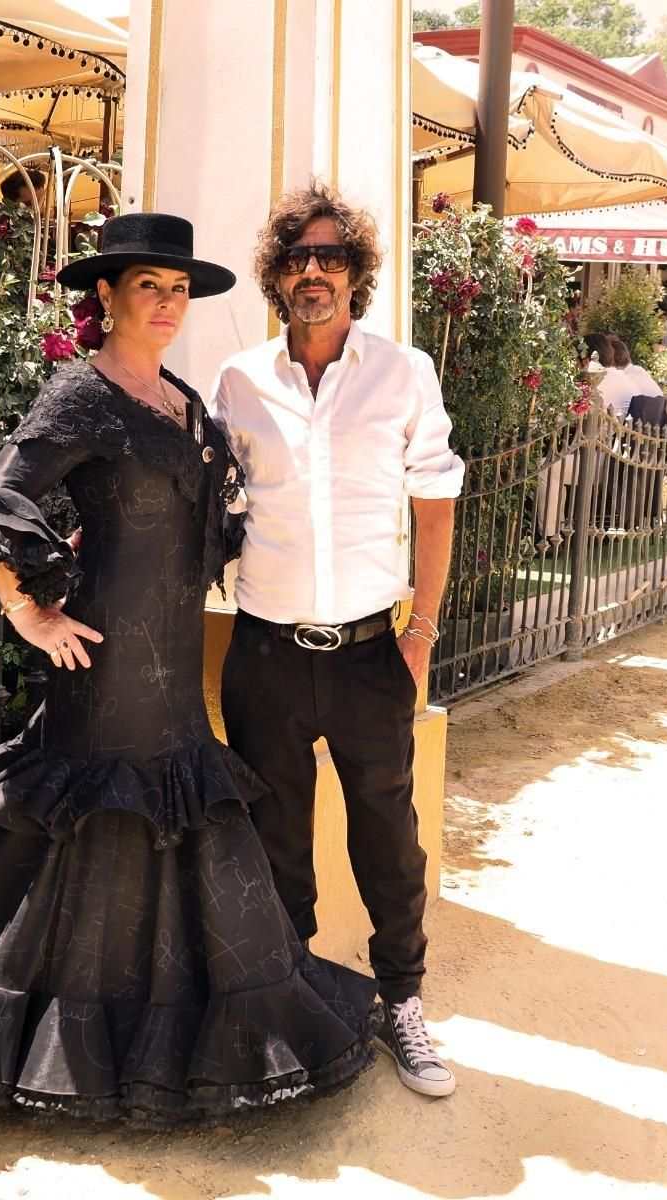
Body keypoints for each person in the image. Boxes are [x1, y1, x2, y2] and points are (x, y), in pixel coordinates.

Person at [0, 213, 381, 1125]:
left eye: (178, 288)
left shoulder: (187, 402)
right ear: (104, 296)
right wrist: (24, 609)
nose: (166, 303)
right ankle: (50, 1038)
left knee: (168, 813)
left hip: (174, 665)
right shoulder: (79, 394)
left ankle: (155, 1027)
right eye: (146, 286)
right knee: (97, 815)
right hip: (104, 662)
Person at [212, 181, 464, 1100]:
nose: (313, 271)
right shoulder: (236, 380)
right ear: (275, 277)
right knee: (273, 840)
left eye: (331, 256)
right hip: (266, 654)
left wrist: (422, 634)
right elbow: (212, 501)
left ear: (358, 272)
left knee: (387, 839)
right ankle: (290, 1001)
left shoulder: (404, 373)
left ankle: (401, 1000)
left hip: (370, 655)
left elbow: (436, 503)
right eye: (296, 258)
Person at [585, 332, 638, 419]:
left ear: (585, 360)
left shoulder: (593, 381)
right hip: (623, 430)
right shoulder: (625, 378)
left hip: (602, 431)